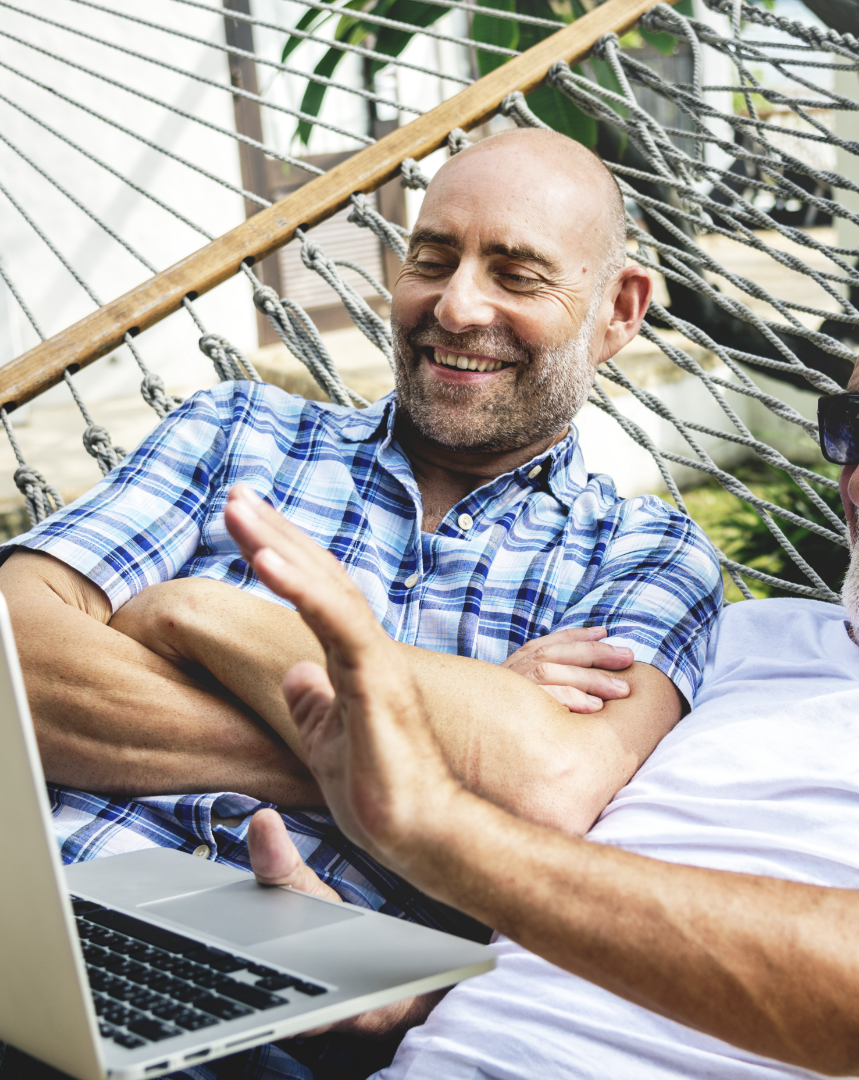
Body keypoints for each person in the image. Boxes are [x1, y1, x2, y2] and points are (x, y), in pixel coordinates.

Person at [235, 229, 859, 1080]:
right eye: (856, 424)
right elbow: (577, 911)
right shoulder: (742, 639)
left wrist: (448, 837)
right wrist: (398, 999)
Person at [0, 129, 720, 1074]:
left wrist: (206, 618)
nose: (456, 306)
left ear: (618, 311)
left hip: (300, 983)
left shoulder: (646, 555)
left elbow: (547, 791)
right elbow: (15, 653)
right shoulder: (237, 430)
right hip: (30, 892)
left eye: (517, 273)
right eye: (431, 259)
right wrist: (423, 755)